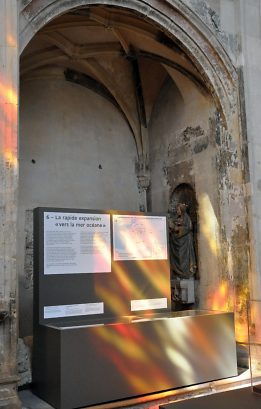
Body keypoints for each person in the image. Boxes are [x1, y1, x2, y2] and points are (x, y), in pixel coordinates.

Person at [168, 203, 197, 279]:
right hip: (177, 243)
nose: (177, 211)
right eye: (177, 209)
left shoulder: (187, 218)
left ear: (182, 210)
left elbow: (188, 228)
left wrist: (176, 228)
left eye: (178, 209)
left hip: (185, 243)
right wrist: (172, 228)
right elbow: (173, 227)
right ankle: (179, 273)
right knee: (178, 258)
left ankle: (186, 272)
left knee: (184, 258)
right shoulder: (176, 218)